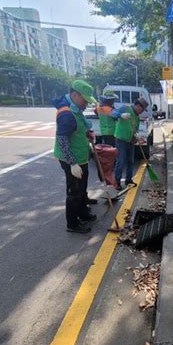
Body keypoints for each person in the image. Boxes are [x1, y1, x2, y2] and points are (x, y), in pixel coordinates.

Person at [53, 79, 97, 234]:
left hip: (80, 156)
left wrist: (86, 133)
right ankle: (72, 223)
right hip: (71, 159)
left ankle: (82, 213)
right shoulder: (67, 114)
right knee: (74, 191)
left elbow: (77, 129)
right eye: (84, 100)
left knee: (82, 187)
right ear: (74, 94)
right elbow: (62, 140)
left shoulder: (76, 110)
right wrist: (72, 164)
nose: (86, 103)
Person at [111, 96, 148, 190]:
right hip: (121, 139)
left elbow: (135, 130)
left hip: (130, 140)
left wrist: (138, 137)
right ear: (138, 106)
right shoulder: (125, 108)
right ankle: (117, 181)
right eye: (142, 109)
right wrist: (121, 115)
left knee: (130, 161)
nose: (142, 111)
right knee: (121, 160)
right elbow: (113, 113)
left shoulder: (137, 117)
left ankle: (128, 180)